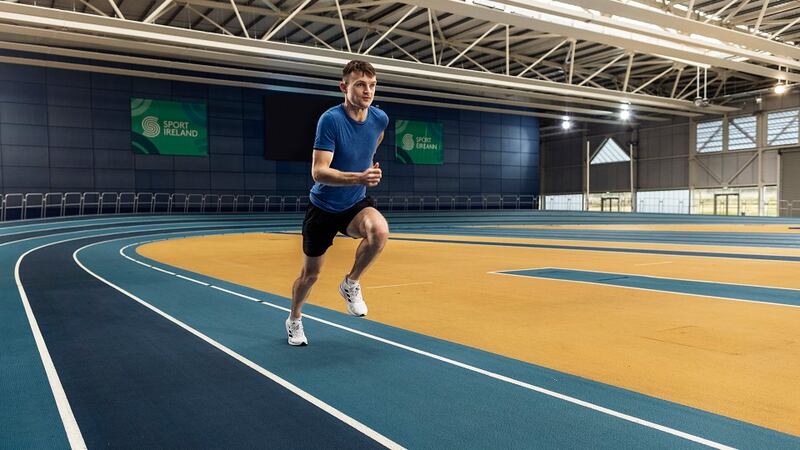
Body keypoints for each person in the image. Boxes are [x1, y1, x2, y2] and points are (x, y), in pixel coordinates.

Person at [286, 60, 390, 346]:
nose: (367, 91)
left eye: (371, 85)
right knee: (310, 275)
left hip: (354, 204)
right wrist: (359, 176)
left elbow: (373, 142)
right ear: (344, 87)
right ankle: (294, 318)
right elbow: (318, 171)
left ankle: (351, 282)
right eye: (360, 85)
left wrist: (364, 170)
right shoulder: (330, 120)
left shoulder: (380, 119)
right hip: (322, 207)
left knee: (379, 231)